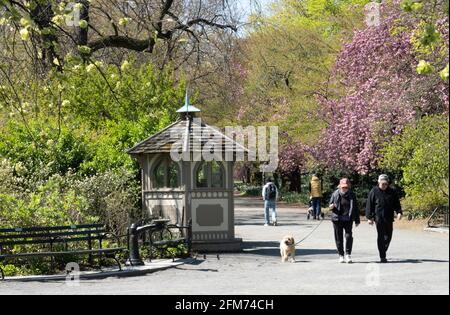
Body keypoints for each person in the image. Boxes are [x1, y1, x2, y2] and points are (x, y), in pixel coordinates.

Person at [366, 174, 403, 263]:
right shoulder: (374, 191)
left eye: (386, 184)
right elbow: (369, 205)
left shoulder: (392, 191)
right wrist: (369, 218)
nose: (384, 185)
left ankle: (383, 250)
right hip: (378, 217)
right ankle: (382, 256)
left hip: (389, 217)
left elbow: (396, 203)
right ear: (378, 182)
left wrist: (399, 212)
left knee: (388, 236)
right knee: (381, 236)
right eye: (382, 184)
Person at [329, 178, 360, 264]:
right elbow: (330, 205)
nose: (344, 189)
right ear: (339, 186)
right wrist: (331, 206)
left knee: (348, 236)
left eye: (346, 187)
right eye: (343, 187)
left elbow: (355, 208)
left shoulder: (352, 195)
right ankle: (341, 255)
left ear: (348, 186)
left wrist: (357, 220)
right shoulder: (335, 194)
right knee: (338, 238)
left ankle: (348, 254)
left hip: (348, 219)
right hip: (337, 219)